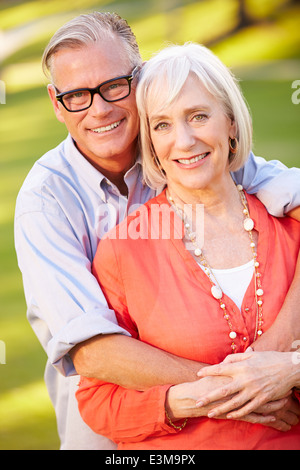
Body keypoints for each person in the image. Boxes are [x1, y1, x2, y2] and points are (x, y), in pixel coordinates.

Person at [14, 12, 300, 450]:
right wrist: (246, 388)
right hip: (112, 432)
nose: (100, 108)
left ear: (140, 79)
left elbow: (266, 181)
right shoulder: (45, 203)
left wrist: (275, 365)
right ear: (56, 102)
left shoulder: (197, 158)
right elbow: (93, 350)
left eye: (113, 86)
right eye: (77, 96)